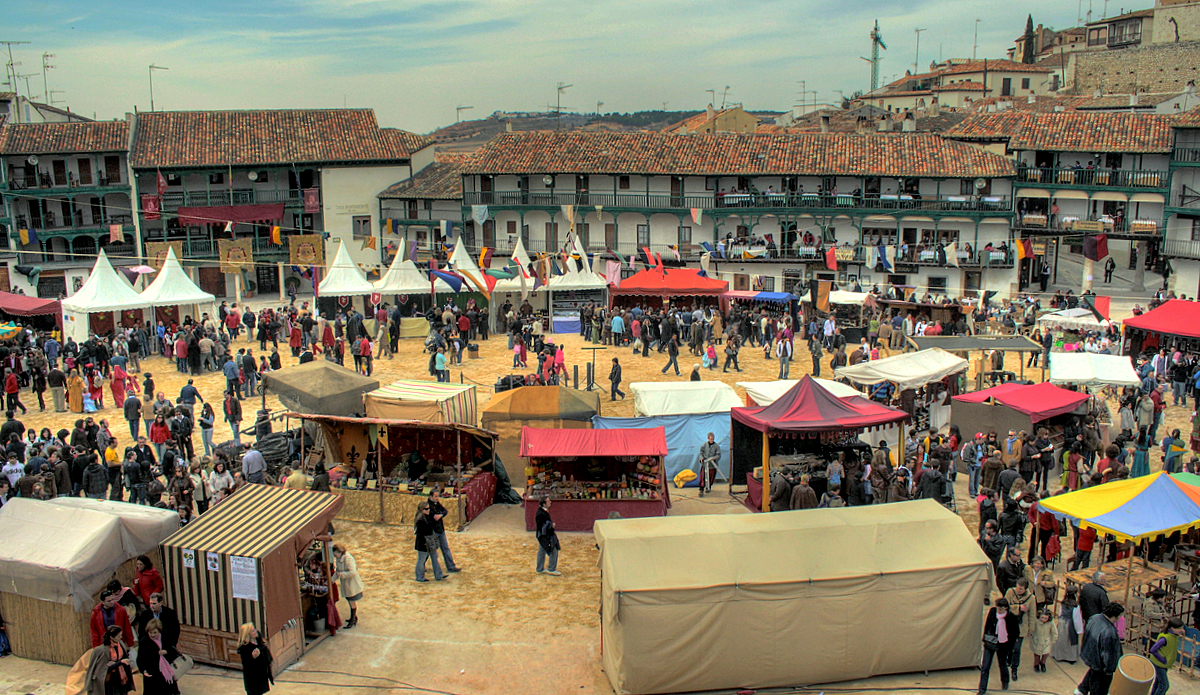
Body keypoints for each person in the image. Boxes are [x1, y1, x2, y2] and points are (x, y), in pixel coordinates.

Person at [1076, 603, 1125, 695]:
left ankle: (1082, 689)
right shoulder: (1109, 632)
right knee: (1099, 688)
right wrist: (1109, 670)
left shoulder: (1095, 618)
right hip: (1101, 665)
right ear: (1115, 616)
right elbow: (1107, 655)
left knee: (1093, 674)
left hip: (1090, 654)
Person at [978, 597, 1020, 695]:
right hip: (991, 643)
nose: (999, 610)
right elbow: (987, 625)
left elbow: (1015, 633)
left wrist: (1010, 648)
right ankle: (982, 689)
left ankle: (1005, 682)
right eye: (998, 608)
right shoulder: (992, 612)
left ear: (1006, 608)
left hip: (1003, 645)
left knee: (1002, 665)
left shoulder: (1011, 617)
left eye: (1001, 608)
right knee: (985, 666)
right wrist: (985, 639)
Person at [1004, 577, 1036, 680]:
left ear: (1025, 589)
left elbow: (1032, 614)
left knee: (1017, 649)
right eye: (1017, 588)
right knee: (1009, 645)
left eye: (1021, 589)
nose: (1018, 590)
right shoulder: (1010, 592)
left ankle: (1014, 669)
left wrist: (1031, 629)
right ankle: (1008, 657)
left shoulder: (1031, 598)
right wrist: (1018, 608)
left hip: (1021, 627)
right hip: (1009, 625)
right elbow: (1004, 606)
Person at [428, 489, 462, 573]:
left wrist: (440, 515)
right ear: (431, 497)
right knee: (430, 551)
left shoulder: (437, 504)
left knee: (445, 548)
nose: (437, 498)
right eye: (435, 496)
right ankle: (422, 565)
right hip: (433, 531)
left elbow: (445, 511)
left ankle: (451, 566)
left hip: (440, 529)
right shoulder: (428, 506)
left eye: (437, 496)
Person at [1149, 618, 1185, 695]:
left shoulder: (1174, 636)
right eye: (1179, 628)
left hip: (1164, 664)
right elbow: (1153, 650)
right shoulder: (1165, 638)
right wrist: (1163, 660)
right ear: (1172, 628)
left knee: (1158, 682)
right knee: (1164, 685)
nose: (1182, 630)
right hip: (1159, 663)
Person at [332, 544, 364, 629]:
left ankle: (353, 620)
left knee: (352, 602)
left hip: (352, 585)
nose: (335, 556)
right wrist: (331, 580)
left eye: (336, 554)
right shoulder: (340, 559)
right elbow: (337, 572)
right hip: (347, 585)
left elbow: (353, 572)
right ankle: (353, 618)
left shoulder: (348, 559)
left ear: (339, 552)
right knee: (350, 601)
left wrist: (341, 574)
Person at [236, 623, 274, 695]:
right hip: (253, 680)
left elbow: (264, 651)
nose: (255, 631)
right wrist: (253, 657)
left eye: (254, 629)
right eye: (252, 631)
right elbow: (246, 665)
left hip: (261, 676)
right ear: (248, 634)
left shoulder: (259, 640)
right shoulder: (245, 648)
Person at [414, 500, 444, 582]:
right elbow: (421, 534)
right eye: (426, 509)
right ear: (421, 510)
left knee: (435, 557)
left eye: (429, 508)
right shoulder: (420, 521)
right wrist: (424, 543)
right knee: (421, 560)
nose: (428, 510)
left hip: (430, 541)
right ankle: (419, 577)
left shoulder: (427, 517)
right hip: (423, 543)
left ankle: (439, 575)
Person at [535, 496, 561, 576]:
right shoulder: (540, 514)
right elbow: (541, 527)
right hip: (546, 536)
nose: (550, 502)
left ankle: (539, 569)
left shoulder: (541, 512)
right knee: (554, 550)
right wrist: (551, 525)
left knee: (542, 551)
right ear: (544, 504)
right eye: (548, 501)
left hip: (543, 536)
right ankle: (551, 569)